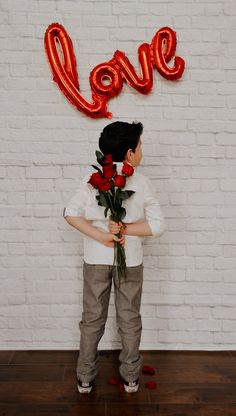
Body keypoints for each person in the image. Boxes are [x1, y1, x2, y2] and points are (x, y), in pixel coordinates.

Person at [63, 121, 165, 394]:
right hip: (129, 261)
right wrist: (126, 230)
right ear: (130, 153)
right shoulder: (142, 182)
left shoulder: (91, 179)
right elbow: (157, 226)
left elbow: (69, 214)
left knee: (92, 318)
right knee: (129, 318)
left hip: (95, 259)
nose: (142, 151)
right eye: (140, 146)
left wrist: (101, 236)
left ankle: (85, 378)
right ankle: (131, 377)